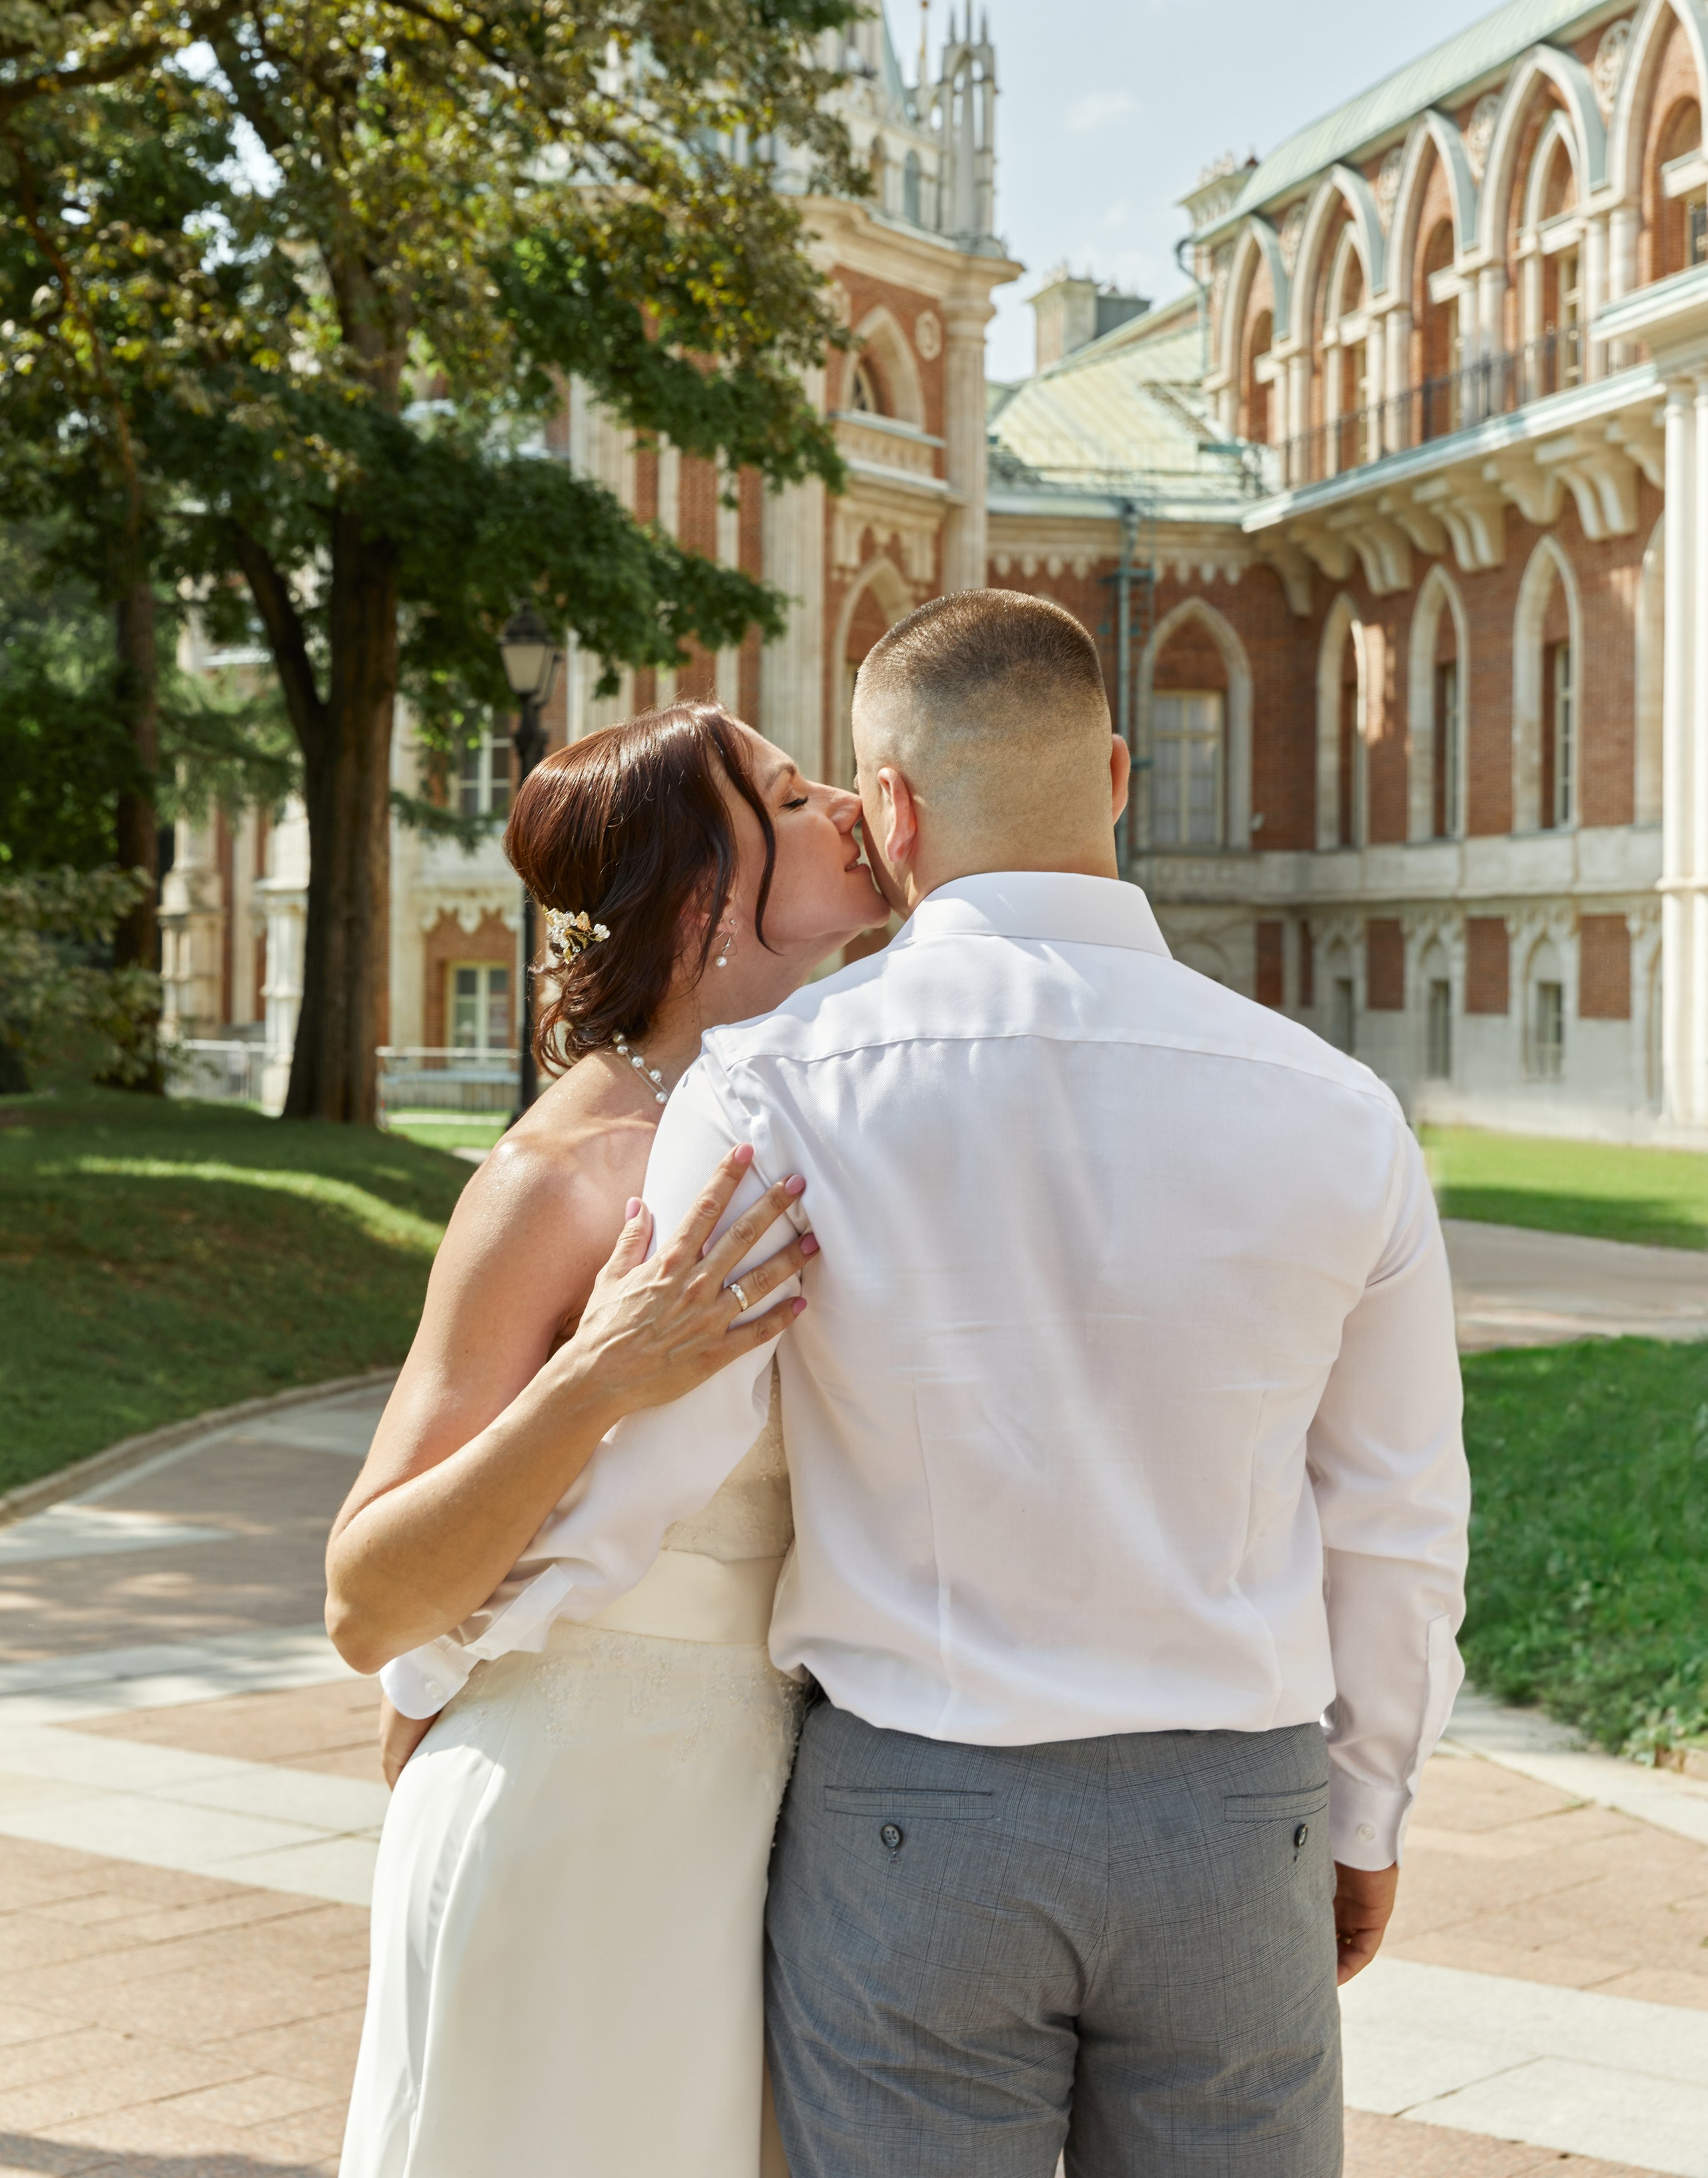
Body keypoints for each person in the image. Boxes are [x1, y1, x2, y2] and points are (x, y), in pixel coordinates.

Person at [438, 588, 1470, 2178]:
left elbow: (664, 1448)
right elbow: (1395, 1513)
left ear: (896, 805)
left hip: (917, 1821)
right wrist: (1365, 1812)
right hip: (1231, 1816)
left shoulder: (774, 1084)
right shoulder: (1336, 1109)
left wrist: (450, 1659)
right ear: (1115, 777)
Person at [328, 700, 893, 2178]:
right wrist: (597, 1374)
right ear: (706, 890)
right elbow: (369, 1597)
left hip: (778, 1819)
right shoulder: (557, 1177)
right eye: (787, 790)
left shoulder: (845, 1114)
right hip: (575, 1816)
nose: (844, 802)